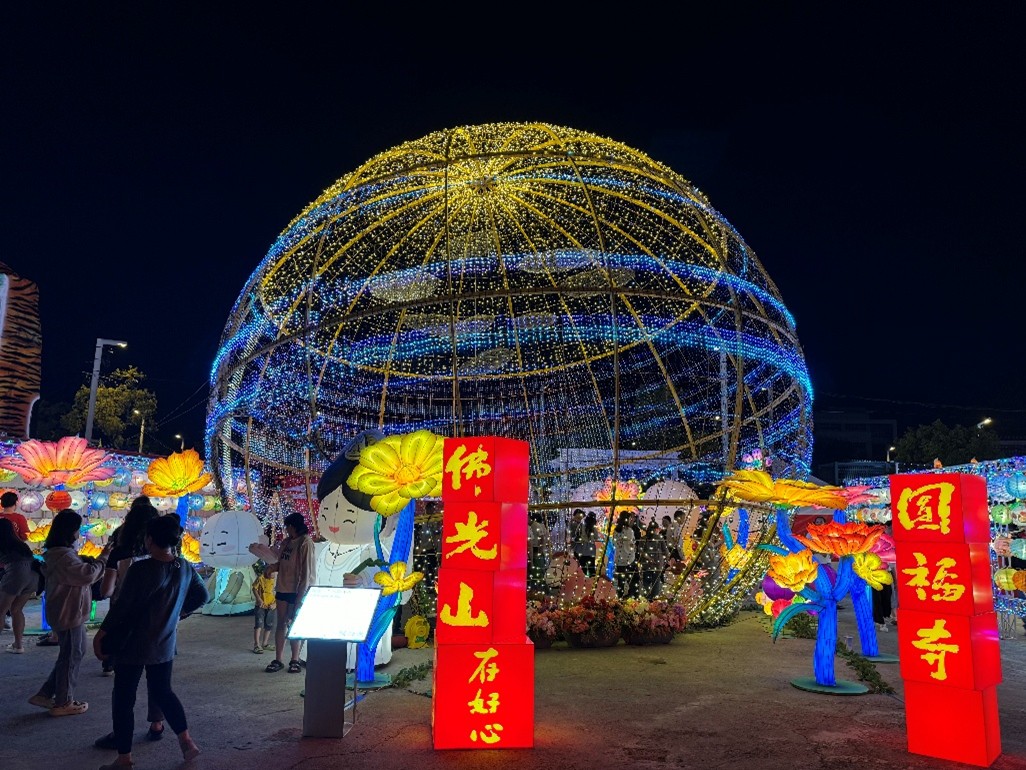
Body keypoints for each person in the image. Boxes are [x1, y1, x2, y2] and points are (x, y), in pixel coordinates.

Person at [93, 515, 207, 768]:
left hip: (134, 644)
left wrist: (102, 633)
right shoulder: (185, 567)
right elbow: (203, 595)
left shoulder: (141, 569)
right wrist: (179, 613)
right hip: (164, 643)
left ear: (150, 539)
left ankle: (124, 758)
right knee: (163, 692)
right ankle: (186, 741)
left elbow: (122, 607)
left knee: (124, 697)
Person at [92, 500, 164, 748]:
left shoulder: (120, 553)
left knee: (125, 685)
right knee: (157, 678)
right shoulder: (165, 558)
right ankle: (156, 724)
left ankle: (120, 737)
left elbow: (106, 590)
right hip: (158, 624)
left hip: (125, 625)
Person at [28, 508, 113, 716]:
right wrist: (104, 557)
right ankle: (64, 702)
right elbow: (88, 575)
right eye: (77, 530)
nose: (78, 534)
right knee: (74, 654)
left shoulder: (56, 555)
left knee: (69, 654)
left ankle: (47, 693)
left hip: (63, 611)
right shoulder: (64, 557)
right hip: (69, 612)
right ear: (70, 532)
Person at [263, 512, 316, 674]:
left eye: (287, 527)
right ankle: (278, 659)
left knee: (293, 624)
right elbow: (282, 562)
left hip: (297, 590)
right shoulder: (287, 542)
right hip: (283, 588)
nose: (286, 530)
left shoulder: (305, 543)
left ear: (293, 527)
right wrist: (272, 568)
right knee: (282, 623)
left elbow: (306, 572)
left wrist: (300, 598)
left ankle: (295, 659)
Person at [0, 518, 38, 653]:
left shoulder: (3, 543)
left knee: (1, 610)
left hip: (16, 573)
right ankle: (18, 645)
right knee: (17, 609)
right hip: (32, 575)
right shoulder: (20, 544)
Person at [637, 519, 669, 599]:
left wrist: (648, 558)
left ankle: (647, 598)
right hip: (657, 564)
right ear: (656, 529)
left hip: (646, 564)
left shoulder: (643, 538)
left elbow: (640, 551)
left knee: (646, 582)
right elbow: (666, 551)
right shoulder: (659, 538)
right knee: (656, 583)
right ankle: (654, 599)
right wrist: (665, 560)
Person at [251, 562, 276, 653]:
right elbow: (254, 588)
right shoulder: (260, 578)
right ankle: (256, 644)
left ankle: (265, 643)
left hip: (271, 606)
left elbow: (278, 593)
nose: (272, 575)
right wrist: (259, 599)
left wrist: (275, 604)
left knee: (269, 625)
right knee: (259, 624)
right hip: (261, 606)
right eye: (270, 573)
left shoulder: (275, 580)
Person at [612, 512, 638, 597]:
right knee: (633, 582)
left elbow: (614, 544)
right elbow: (631, 545)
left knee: (620, 583)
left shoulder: (616, 530)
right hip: (629, 559)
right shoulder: (629, 531)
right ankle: (631, 600)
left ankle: (620, 600)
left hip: (619, 559)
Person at [527, 511, 552, 591]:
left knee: (538, 572)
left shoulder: (537, 525)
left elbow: (542, 539)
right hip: (532, 551)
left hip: (536, 550)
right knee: (536, 572)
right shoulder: (529, 527)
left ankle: (543, 590)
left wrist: (540, 551)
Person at [575, 513, 598, 577]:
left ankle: (582, 584)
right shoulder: (593, 528)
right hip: (590, 551)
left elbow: (576, 534)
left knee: (582, 570)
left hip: (581, 550)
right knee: (592, 569)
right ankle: (592, 584)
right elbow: (596, 537)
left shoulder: (581, 525)